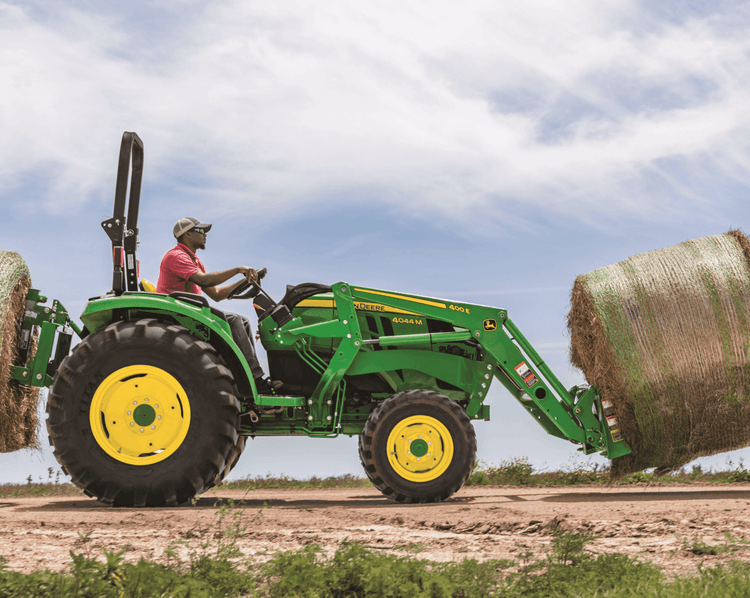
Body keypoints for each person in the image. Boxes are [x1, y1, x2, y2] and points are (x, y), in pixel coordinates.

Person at [156, 217, 283, 394]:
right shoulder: (176, 256)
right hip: (177, 314)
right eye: (201, 231)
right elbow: (203, 280)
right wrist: (238, 269)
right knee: (233, 320)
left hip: (190, 311)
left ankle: (248, 378)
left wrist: (245, 281)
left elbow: (216, 294)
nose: (205, 235)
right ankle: (256, 380)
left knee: (243, 321)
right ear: (187, 234)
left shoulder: (194, 260)